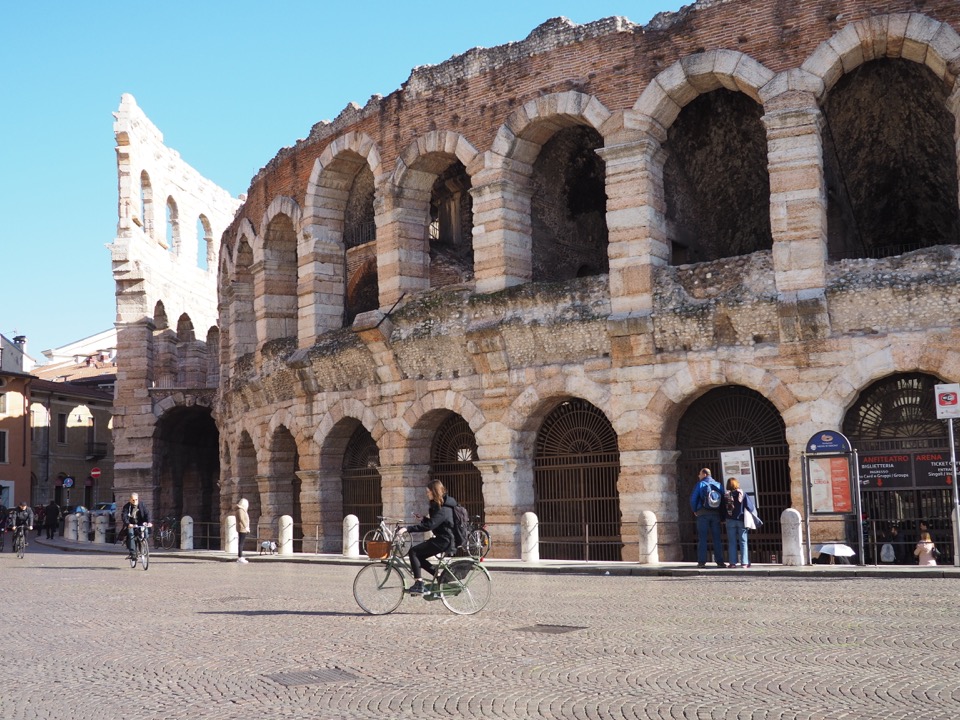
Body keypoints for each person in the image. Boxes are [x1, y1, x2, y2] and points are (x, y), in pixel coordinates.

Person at [404, 480, 459, 594]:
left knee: (413, 552)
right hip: (443, 539)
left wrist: (408, 529)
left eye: (428, 491)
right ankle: (439, 577)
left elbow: (430, 526)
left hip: (444, 540)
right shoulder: (441, 505)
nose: (427, 494)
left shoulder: (443, 508)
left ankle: (419, 584)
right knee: (419, 556)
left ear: (434, 492)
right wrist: (423, 519)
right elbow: (436, 523)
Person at [690, 467, 725, 568]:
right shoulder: (718, 484)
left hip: (703, 514)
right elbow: (723, 501)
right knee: (717, 539)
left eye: (700, 474)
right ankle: (720, 562)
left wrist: (695, 510)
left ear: (704, 474)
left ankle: (701, 562)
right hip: (715, 514)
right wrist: (722, 515)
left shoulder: (700, 484)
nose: (698, 476)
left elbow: (693, 499)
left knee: (702, 538)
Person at [722, 478, 756, 568]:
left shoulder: (725, 495)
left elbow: (722, 509)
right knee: (743, 541)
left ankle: (732, 563)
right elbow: (750, 507)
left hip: (729, 520)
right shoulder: (742, 494)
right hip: (741, 520)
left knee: (732, 542)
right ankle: (744, 562)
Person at [120, 493, 149, 560]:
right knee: (131, 534)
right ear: (130, 500)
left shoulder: (142, 505)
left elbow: (147, 513)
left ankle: (143, 544)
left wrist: (148, 522)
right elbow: (124, 516)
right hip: (131, 524)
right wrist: (128, 524)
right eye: (133, 500)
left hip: (140, 523)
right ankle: (133, 553)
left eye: (136, 499)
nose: (135, 501)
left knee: (146, 531)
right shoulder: (127, 506)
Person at [236, 498, 250, 563]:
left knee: (241, 543)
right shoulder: (240, 510)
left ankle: (240, 556)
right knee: (241, 543)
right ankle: (240, 557)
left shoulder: (241, 510)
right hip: (242, 528)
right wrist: (246, 526)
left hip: (243, 528)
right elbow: (241, 519)